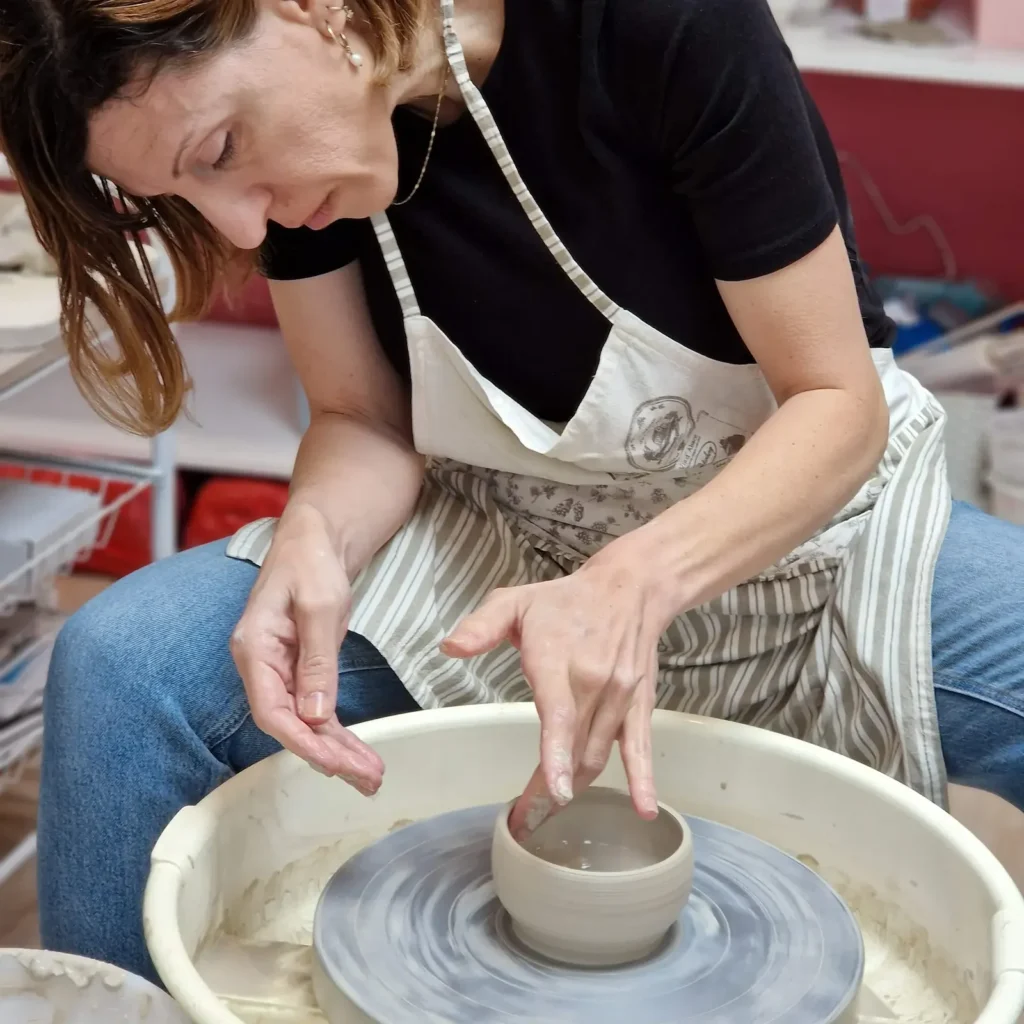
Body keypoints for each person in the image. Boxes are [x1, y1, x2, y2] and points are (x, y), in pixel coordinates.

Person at [1, 0, 1021, 985]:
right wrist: (315, 535)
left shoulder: (661, 23)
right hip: (508, 545)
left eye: (219, 151)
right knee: (124, 666)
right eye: (183, 196)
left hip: (804, 527)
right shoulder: (306, 159)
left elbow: (835, 404)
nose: (233, 226)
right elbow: (360, 416)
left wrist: (629, 582)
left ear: (308, 8)